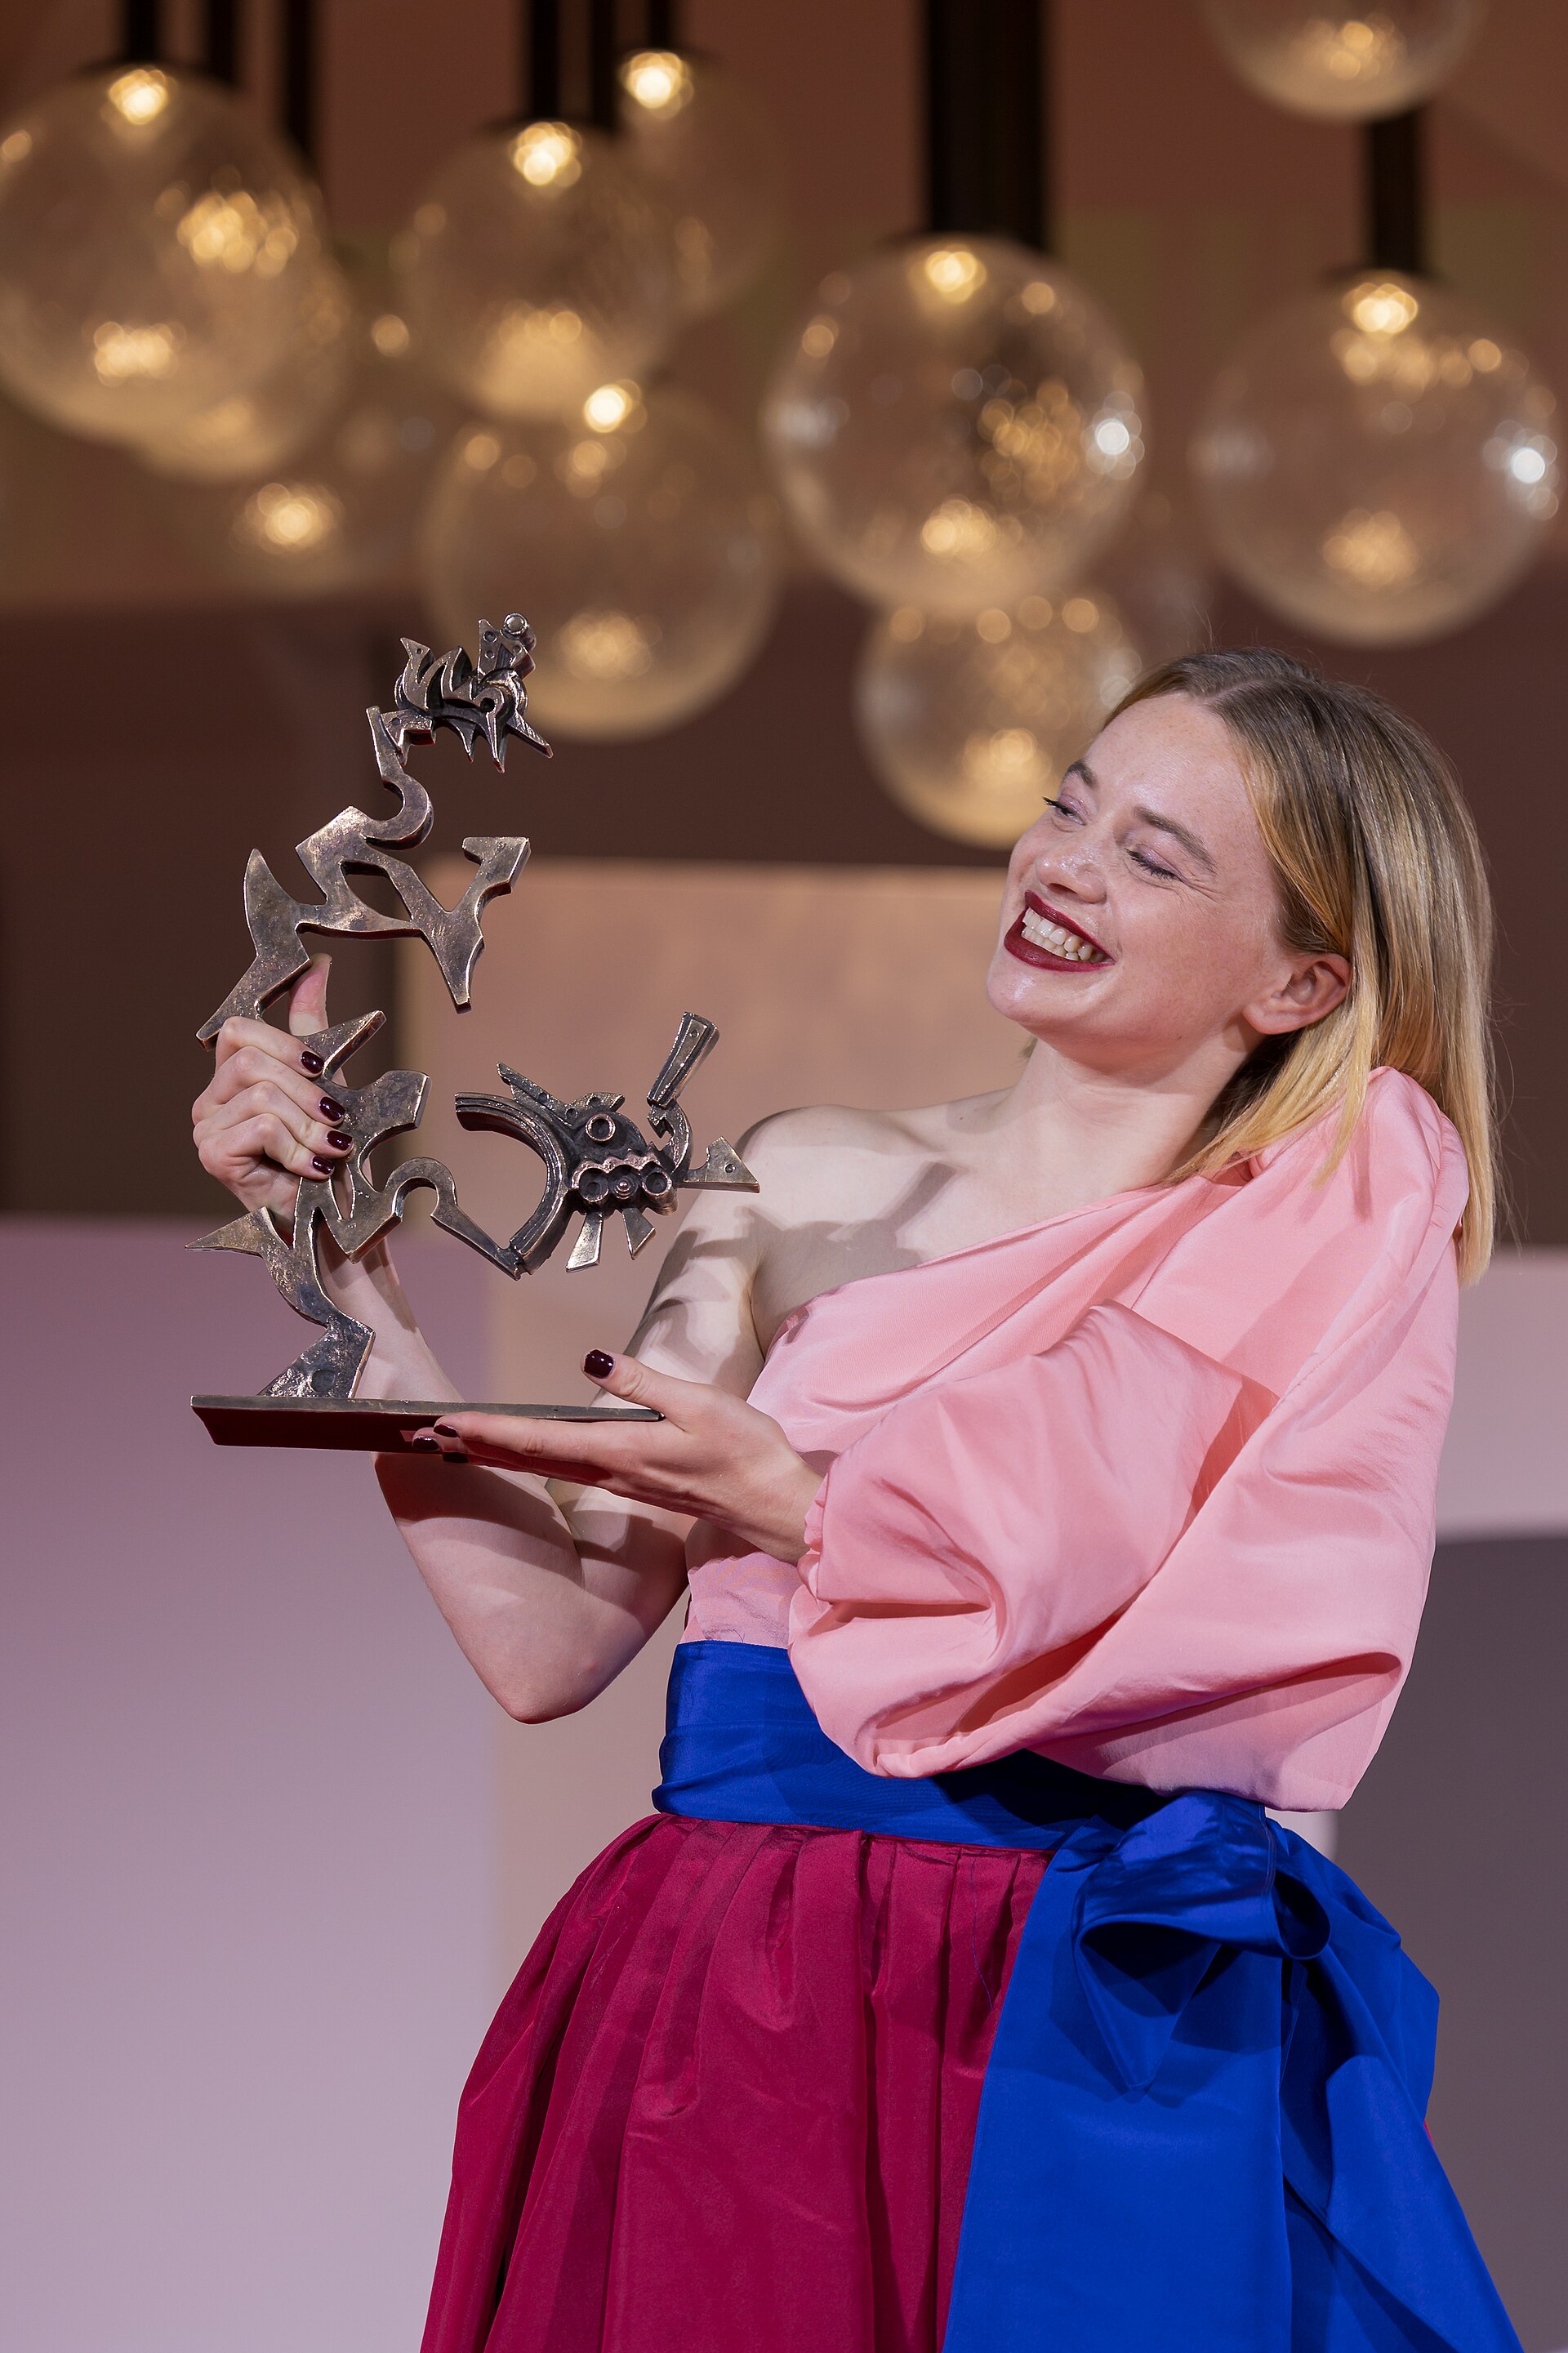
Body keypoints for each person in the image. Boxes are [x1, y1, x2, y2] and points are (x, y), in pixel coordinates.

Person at [193, 647, 1521, 2353]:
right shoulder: (798, 1174)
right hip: (747, 1989)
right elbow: (548, 1639)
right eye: (1068, 805)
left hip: (1097, 2001)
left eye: (1155, 855)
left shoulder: (1325, 1233)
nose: (1065, 865)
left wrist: (807, 1505)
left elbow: (1267, 1629)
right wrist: (347, 1277)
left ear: (1298, 981)